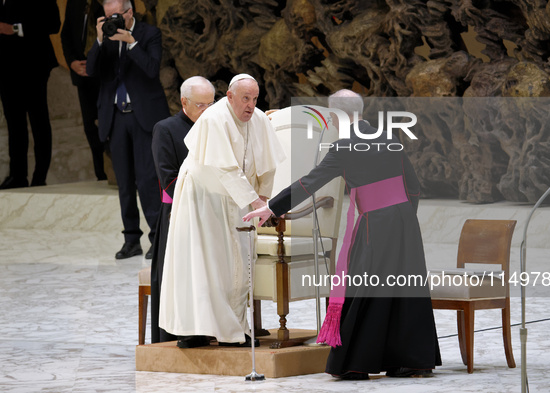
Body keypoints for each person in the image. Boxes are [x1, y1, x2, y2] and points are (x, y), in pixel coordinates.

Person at [243, 89, 441, 379]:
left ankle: (355, 363)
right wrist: (405, 217)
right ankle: (414, 361)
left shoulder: (344, 147)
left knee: (366, 287)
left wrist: (271, 208)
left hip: (375, 223)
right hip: (405, 222)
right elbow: (414, 186)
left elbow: (308, 184)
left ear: (335, 116)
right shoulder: (389, 137)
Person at [159, 74, 285, 348]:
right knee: (203, 262)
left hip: (237, 199)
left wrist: (263, 198)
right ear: (229, 96)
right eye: (245, 98)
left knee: (236, 263)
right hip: (202, 198)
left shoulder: (259, 119)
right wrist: (255, 203)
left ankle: (235, 327)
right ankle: (195, 329)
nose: (250, 105)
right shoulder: (214, 118)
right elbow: (224, 169)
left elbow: (269, 165)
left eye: (254, 99)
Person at [86, 0, 170, 259]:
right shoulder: (106, 37)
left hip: (144, 116)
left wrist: (131, 42)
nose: (112, 20)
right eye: (107, 16)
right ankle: (131, 239)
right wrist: (100, 40)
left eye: (115, 16)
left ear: (129, 12)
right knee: (124, 182)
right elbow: (91, 70)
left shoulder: (149, 34)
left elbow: (151, 69)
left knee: (148, 179)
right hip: (116, 117)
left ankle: (157, 238)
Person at [150, 76, 215, 344]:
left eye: (212, 104)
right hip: (178, 216)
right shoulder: (166, 129)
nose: (207, 111)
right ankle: (176, 334)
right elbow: (169, 178)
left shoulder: (216, 128)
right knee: (179, 280)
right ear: (183, 102)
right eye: (201, 105)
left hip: (211, 216)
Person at [0, 0, 61, 189]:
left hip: (34, 64)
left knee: (39, 121)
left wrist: (16, 29)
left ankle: (39, 176)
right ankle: (18, 176)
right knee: (14, 123)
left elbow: (53, 23)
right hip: (5, 67)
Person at [61, 0, 107, 182]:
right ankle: (100, 174)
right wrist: (72, 62)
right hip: (82, 74)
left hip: (106, 75)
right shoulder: (75, 3)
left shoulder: (110, 3)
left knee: (109, 125)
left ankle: (114, 171)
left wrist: (96, 62)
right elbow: (66, 35)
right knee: (90, 126)